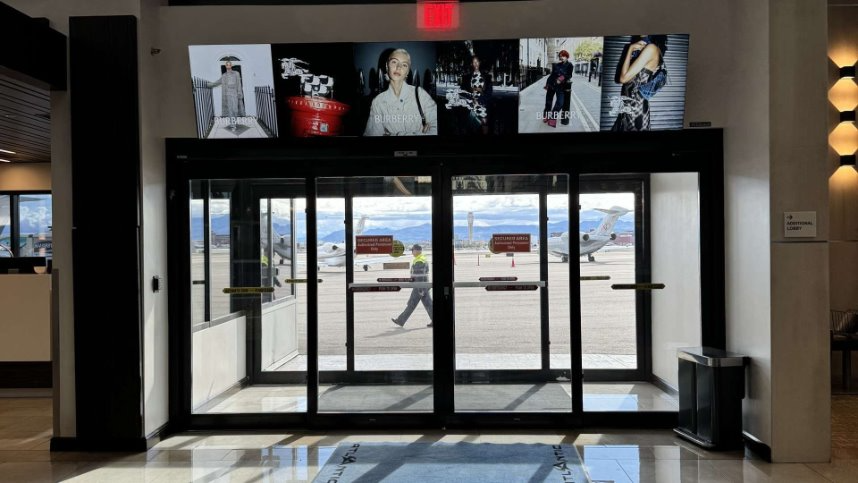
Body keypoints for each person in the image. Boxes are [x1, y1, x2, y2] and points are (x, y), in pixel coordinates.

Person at [364, 49, 438, 136]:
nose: (399, 67)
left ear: (407, 72)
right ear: (387, 66)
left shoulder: (420, 94)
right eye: (394, 62)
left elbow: (436, 127)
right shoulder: (378, 102)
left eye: (404, 65)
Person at [611, 35, 666, 132]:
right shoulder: (643, 49)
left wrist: (630, 49)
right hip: (627, 107)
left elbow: (623, 78)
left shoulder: (651, 48)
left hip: (637, 110)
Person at [392, 244, 433, 328]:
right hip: (423, 286)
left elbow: (419, 276)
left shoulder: (419, 261)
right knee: (428, 304)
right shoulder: (421, 258)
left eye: (412, 250)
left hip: (419, 287)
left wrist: (420, 289)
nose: (412, 252)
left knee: (412, 304)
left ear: (417, 250)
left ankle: (400, 320)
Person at [207, 61, 245, 130]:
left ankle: (234, 121)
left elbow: (239, 84)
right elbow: (218, 82)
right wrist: (209, 84)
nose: (228, 66)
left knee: (235, 110)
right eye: (227, 65)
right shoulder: (224, 75)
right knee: (230, 110)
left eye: (229, 65)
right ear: (226, 66)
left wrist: (239, 93)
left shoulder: (236, 73)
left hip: (235, 93)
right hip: (227, 94)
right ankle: (233, 125)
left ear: (231, 65)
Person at [460, 55, 493, 134]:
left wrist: (480, 98)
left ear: (479, 62)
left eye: (477, 62)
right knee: (471, 126)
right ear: (471, 64)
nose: (475, 64)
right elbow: (462, 92)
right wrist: (472, 98)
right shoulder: (466, 77)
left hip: (483, 103)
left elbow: (489, 93)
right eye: (474, 62)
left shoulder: (487, 77)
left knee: (484, 121)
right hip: (471, 104)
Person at [543, 50, 573, 128]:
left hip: (560, 87)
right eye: (560, 56)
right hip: (551, 85)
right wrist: (547, 84)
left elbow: (569, 75)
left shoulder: (570, 65)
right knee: (548, 102)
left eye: (563, 56)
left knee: (560, 103)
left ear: (566, 56)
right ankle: (546, 116)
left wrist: (561, 78)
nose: (561, 57)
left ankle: (552, 117)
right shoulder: (557, 65)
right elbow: (552, 75)